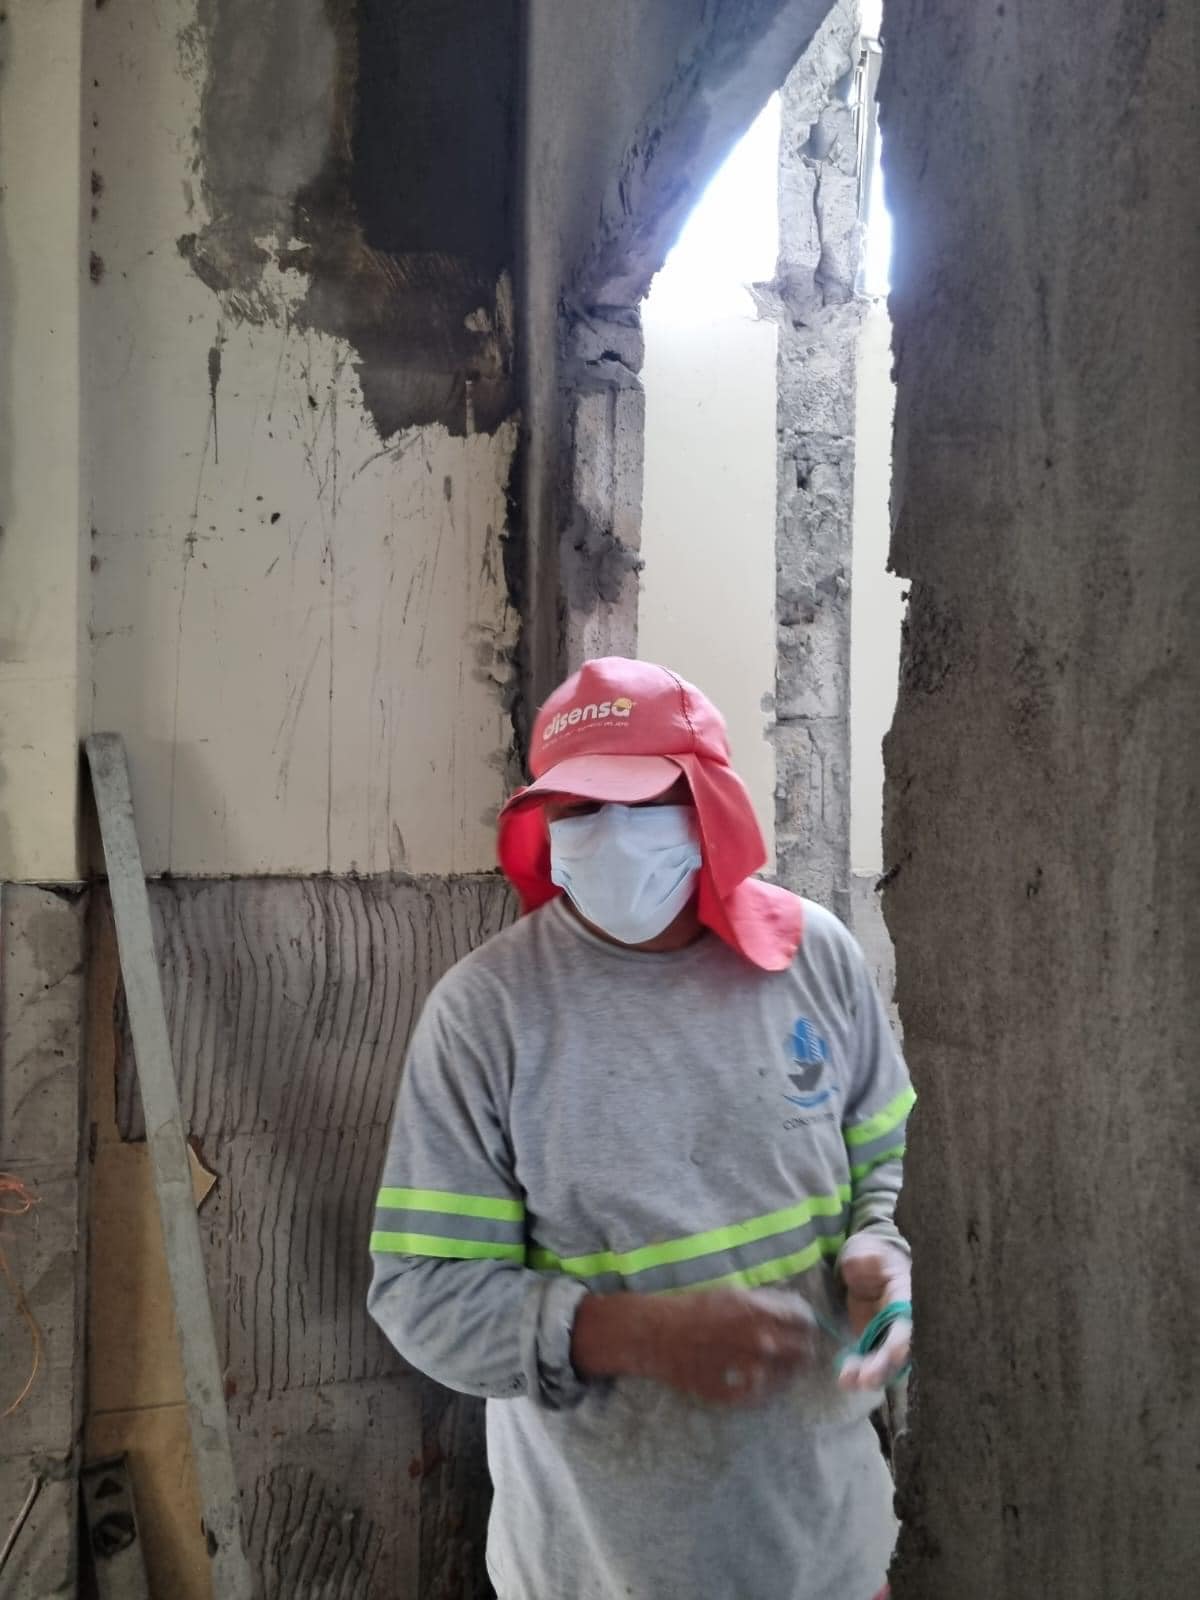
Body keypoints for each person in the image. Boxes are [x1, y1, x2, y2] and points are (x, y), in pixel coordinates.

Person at [368, 658, 914, 1600]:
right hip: (603, 1570)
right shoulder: (488, 1014)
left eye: (641, 800)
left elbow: (886, 1163)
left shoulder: (813, 956)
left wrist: (880, 1252)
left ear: (708, 804)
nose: (611, 832)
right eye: (580, 807)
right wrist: (632, 1335)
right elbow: (422, 1296)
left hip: (832, 1548)